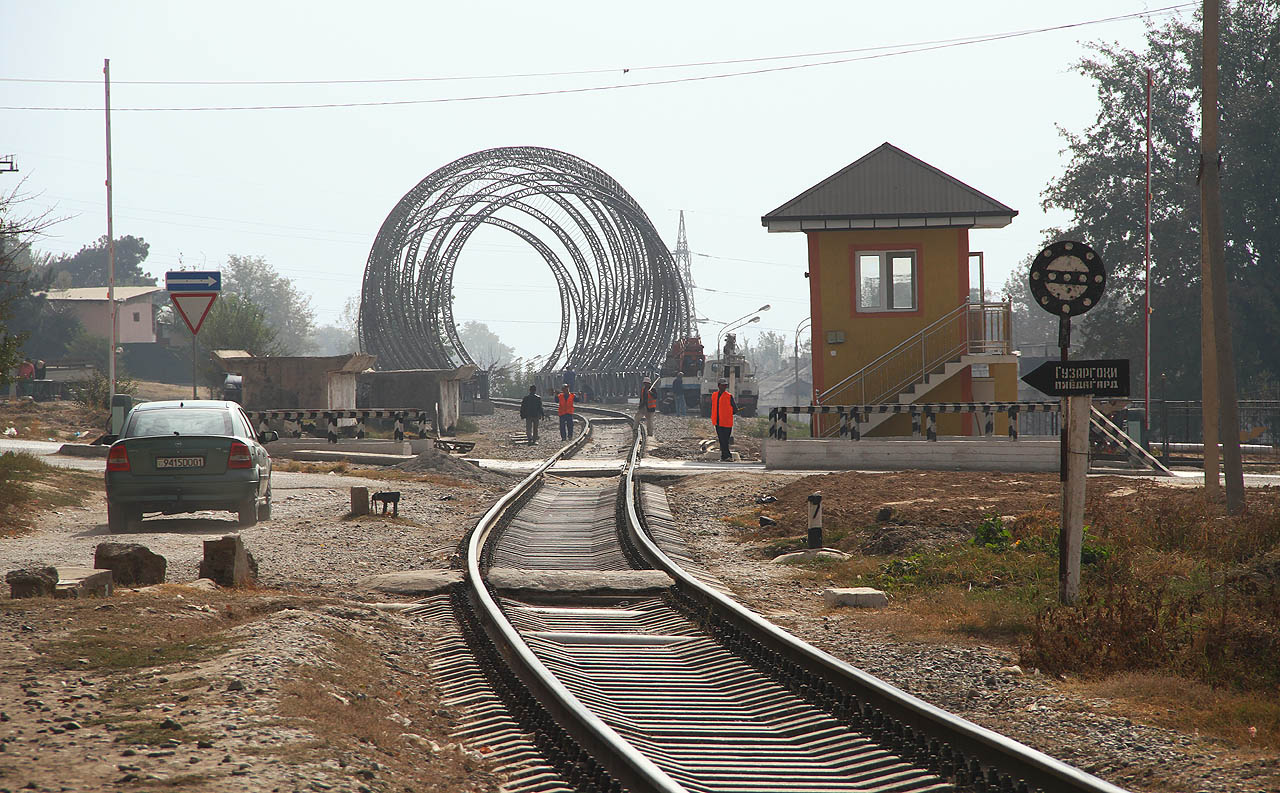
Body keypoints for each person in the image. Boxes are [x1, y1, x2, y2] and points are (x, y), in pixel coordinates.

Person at [710, 377, 736, 462]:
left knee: (725, 440)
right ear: (718, 386)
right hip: (717, 422)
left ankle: (727, 456)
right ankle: (725, 456)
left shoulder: (729, 396)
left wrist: (727, 414)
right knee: (722, 440)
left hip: (727, 422)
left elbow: (735, 409)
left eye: (725, 385)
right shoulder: (714, 395)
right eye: (723, 385)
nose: (724, 387)